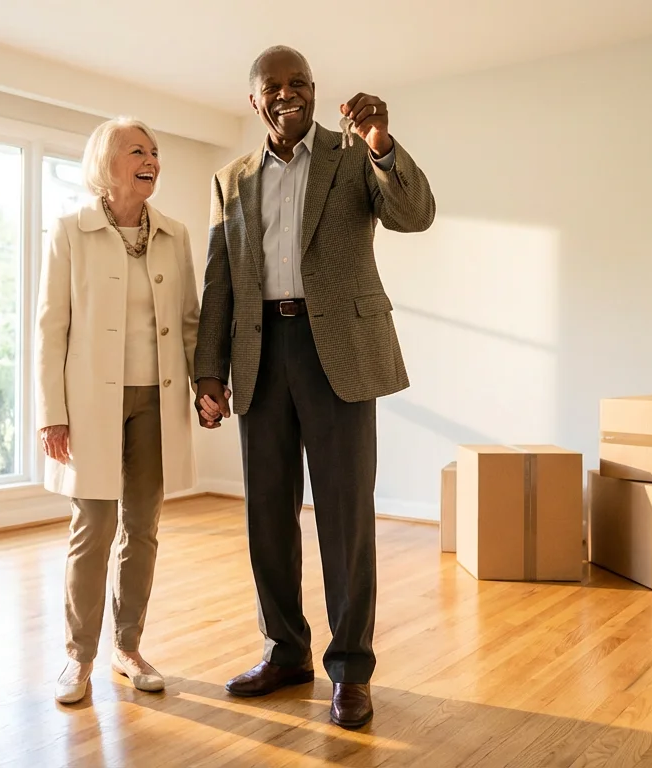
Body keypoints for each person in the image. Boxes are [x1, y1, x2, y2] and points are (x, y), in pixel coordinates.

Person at [193, 45, 436, 729]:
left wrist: (382, 143)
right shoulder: (229, 178)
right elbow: (220, 280)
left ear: (313, 90)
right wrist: (208, 370)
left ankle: (351, 669)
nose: (287, 93)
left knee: (345, 518)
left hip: (340, 353)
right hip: (259, 353)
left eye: (299, 82)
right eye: (274, 85)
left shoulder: (353, 155)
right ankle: (285, 651)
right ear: (255, 100)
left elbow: (414, 214)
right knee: (266, 514)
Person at [35, 116, 200, 705]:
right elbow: (51, 329)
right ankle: (78, 658)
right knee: (94, 527)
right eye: (138, 151)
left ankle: (127, 648)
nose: (151, 159)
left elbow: (189, 322)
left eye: (155, 151)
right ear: (108, 162)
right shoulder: (69, 231)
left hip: (156, 398)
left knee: (144, 527)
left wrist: (205, 386)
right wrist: (51, 411)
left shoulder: (174, 235)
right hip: (90, 403)